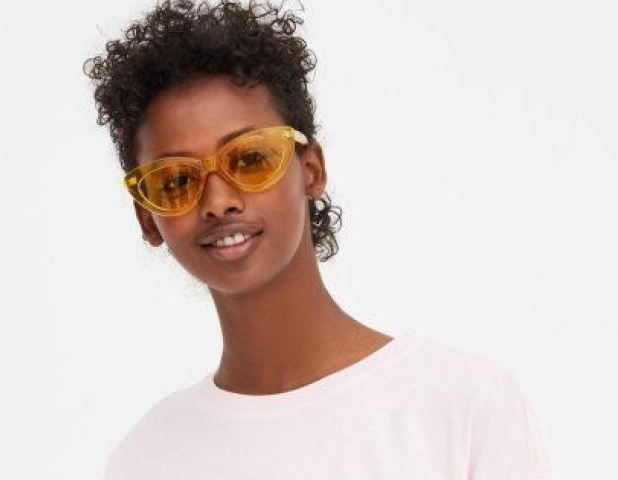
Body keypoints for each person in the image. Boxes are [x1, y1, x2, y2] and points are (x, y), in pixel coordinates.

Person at [83, 1, 553, 478]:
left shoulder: (459, 410)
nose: (218, 201)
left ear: (311, 170)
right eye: (177, 181)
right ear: (148, 219)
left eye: (251, 159)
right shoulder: (147, 458)